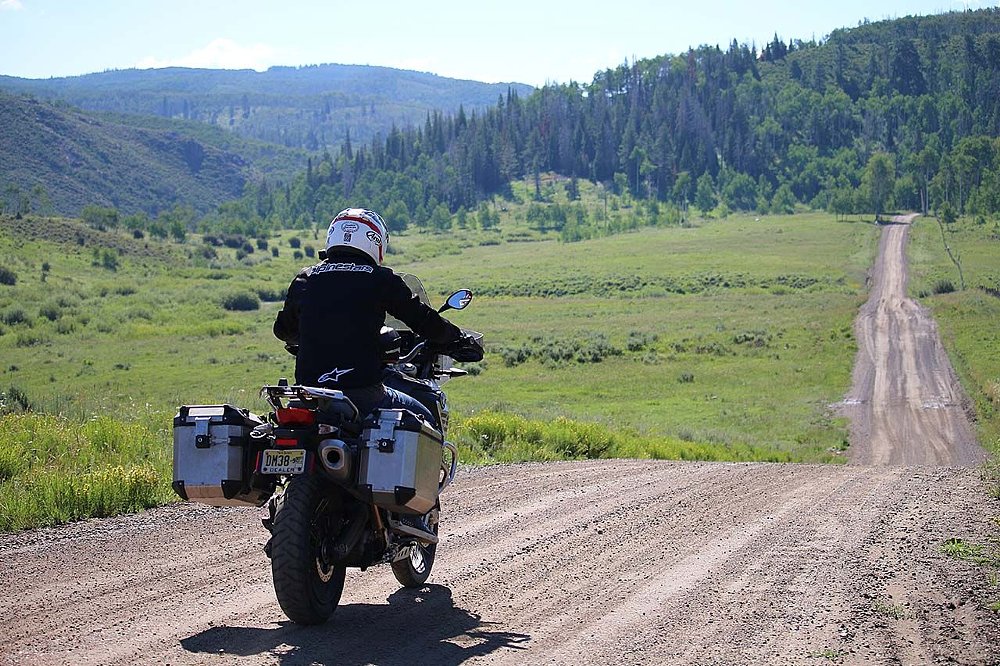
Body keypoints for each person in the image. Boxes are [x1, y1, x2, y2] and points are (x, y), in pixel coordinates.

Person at [272, 207, 465, 423]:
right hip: (362, 393)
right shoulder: (379, 279)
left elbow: (283, 330)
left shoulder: (306, 278)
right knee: (426, 414)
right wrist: (456, 338)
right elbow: (423, 320)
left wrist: (317, 334)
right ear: (375, 241)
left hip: (308, 393)